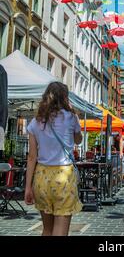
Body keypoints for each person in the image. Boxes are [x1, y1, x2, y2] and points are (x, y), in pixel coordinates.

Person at [25, 82, 82, 236]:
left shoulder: (35, 122)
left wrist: (28, 187)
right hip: (63, 176)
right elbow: (78, 140)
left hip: (41, 176)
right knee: (60, 231)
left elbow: (31, 157)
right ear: (65, 97)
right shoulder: (71, 117)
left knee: (47, 230)